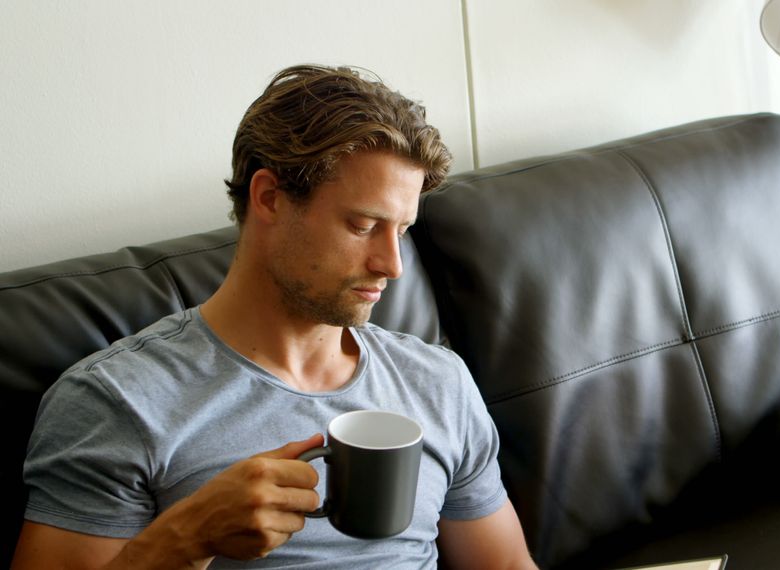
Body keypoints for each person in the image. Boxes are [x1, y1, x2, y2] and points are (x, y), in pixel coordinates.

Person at [12, 64, 537, 569]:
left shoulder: (437, 381)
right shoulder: (118, 402)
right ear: (269, 198)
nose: (392, 265)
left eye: (400, 231)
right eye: (362, 225)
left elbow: (506, 564)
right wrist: (188, 539)